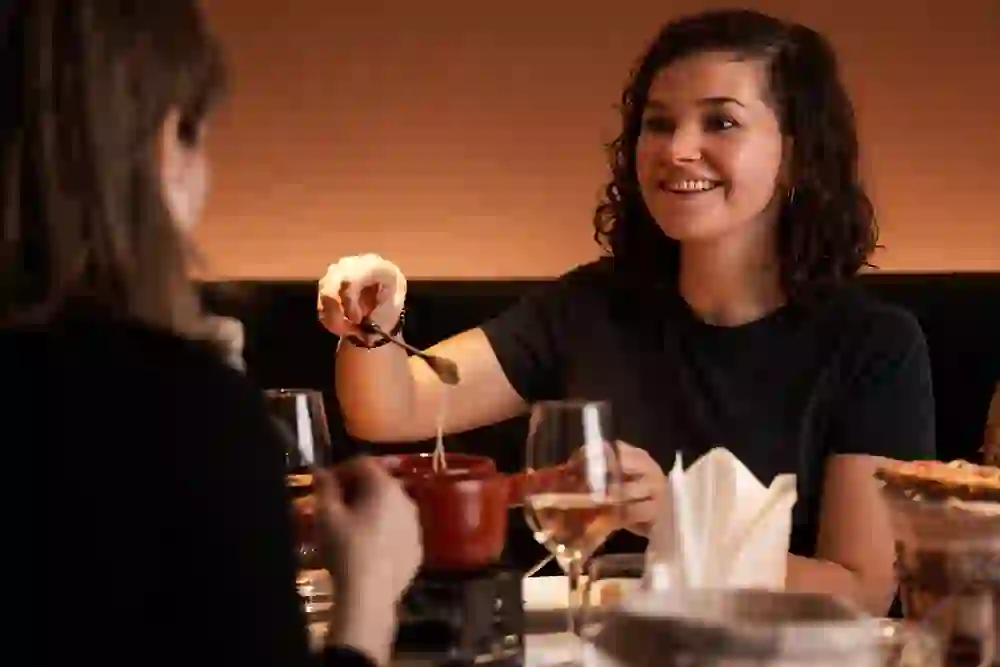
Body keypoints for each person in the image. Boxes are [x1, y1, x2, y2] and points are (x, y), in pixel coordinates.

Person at [318, 8, 935, 616]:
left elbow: (860, 594)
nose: (678, 149)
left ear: (796, 156)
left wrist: (681, 522)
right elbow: (389, 409)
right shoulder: (589, 306)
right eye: (659, 123)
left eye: (721, 122)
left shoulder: (874, 344)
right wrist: (374, 321)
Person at [1, 1, 420, 665]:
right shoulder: (180, 415)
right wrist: (368, 594)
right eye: (196, 134)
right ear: (161, 143)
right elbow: (397, 407)